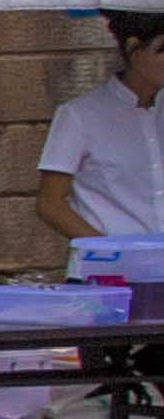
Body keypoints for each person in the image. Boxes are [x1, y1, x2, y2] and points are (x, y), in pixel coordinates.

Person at [46, 16, 164, 250]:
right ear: (134, 50)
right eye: (163, 49)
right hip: (105, 275)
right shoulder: (79, 115)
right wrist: (111, 252)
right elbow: (50, 204)